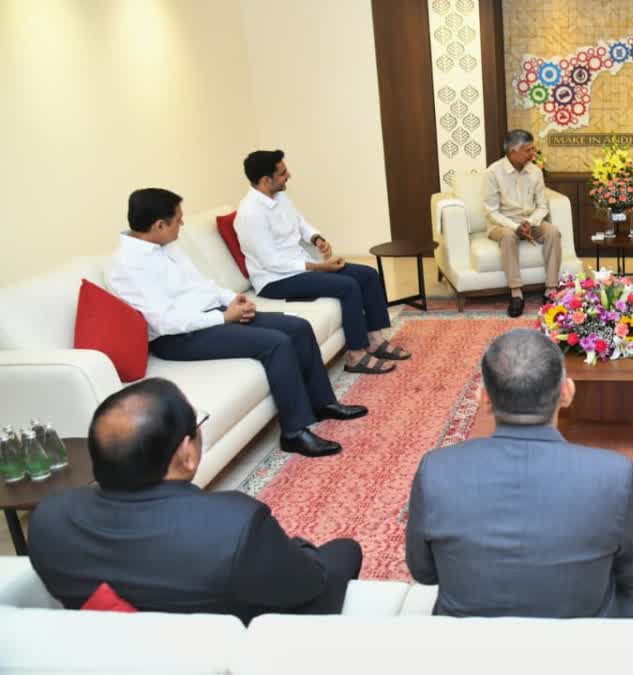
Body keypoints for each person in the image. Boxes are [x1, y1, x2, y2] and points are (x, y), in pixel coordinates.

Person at [28, 379, 363, 623]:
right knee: (345, 550)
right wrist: (301, 549)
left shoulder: (49, 518)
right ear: (185, 455)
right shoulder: (236, 524)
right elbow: (308, 584)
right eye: (197, 425)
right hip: (240, 642)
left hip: (121, 645)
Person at [405, 329, 633, 618]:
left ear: (483, 399)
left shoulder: (436, 469)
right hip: (579, 636)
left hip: (472, 638)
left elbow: (424, 572)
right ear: (567, 392)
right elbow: (632, 573)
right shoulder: (616, 475)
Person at [109, 188, 366, 458]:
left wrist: (235, 299)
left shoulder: (167, 246)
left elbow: (202, 284)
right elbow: (165, 322)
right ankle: (294, 432)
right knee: (276, 344)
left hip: (212, 314)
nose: (182, 225)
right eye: (178, 220)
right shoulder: (128, 266)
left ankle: (323, 403)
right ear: (159, 225)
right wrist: (222, 317)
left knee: (298, 328)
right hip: (179, 337)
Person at [234, 149, 408, 375]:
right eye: (283, 173)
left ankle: (374, 339)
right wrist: (318, 267)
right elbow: (271, 262)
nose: (289, 175)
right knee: (347, 286)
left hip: (300, 266)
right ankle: (356, 355)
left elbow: (299, 222)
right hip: (276, 280)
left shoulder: (280, 196)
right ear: (266, 180)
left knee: (368, 274)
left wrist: (316, 238)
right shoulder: (250, 214)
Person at [483, 129, 563, 318]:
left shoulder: (535, 172)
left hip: (530, 220)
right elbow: (491, 211)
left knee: (553, 232)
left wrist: (530, 222)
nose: (532, 154)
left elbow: (542, 206)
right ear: (513, 151)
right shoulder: (493, 173)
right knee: (509, 236)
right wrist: (515, 227)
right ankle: (516, 293)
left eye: (532, 149)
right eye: (528, 150)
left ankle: (551, 290)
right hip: (501, 224)